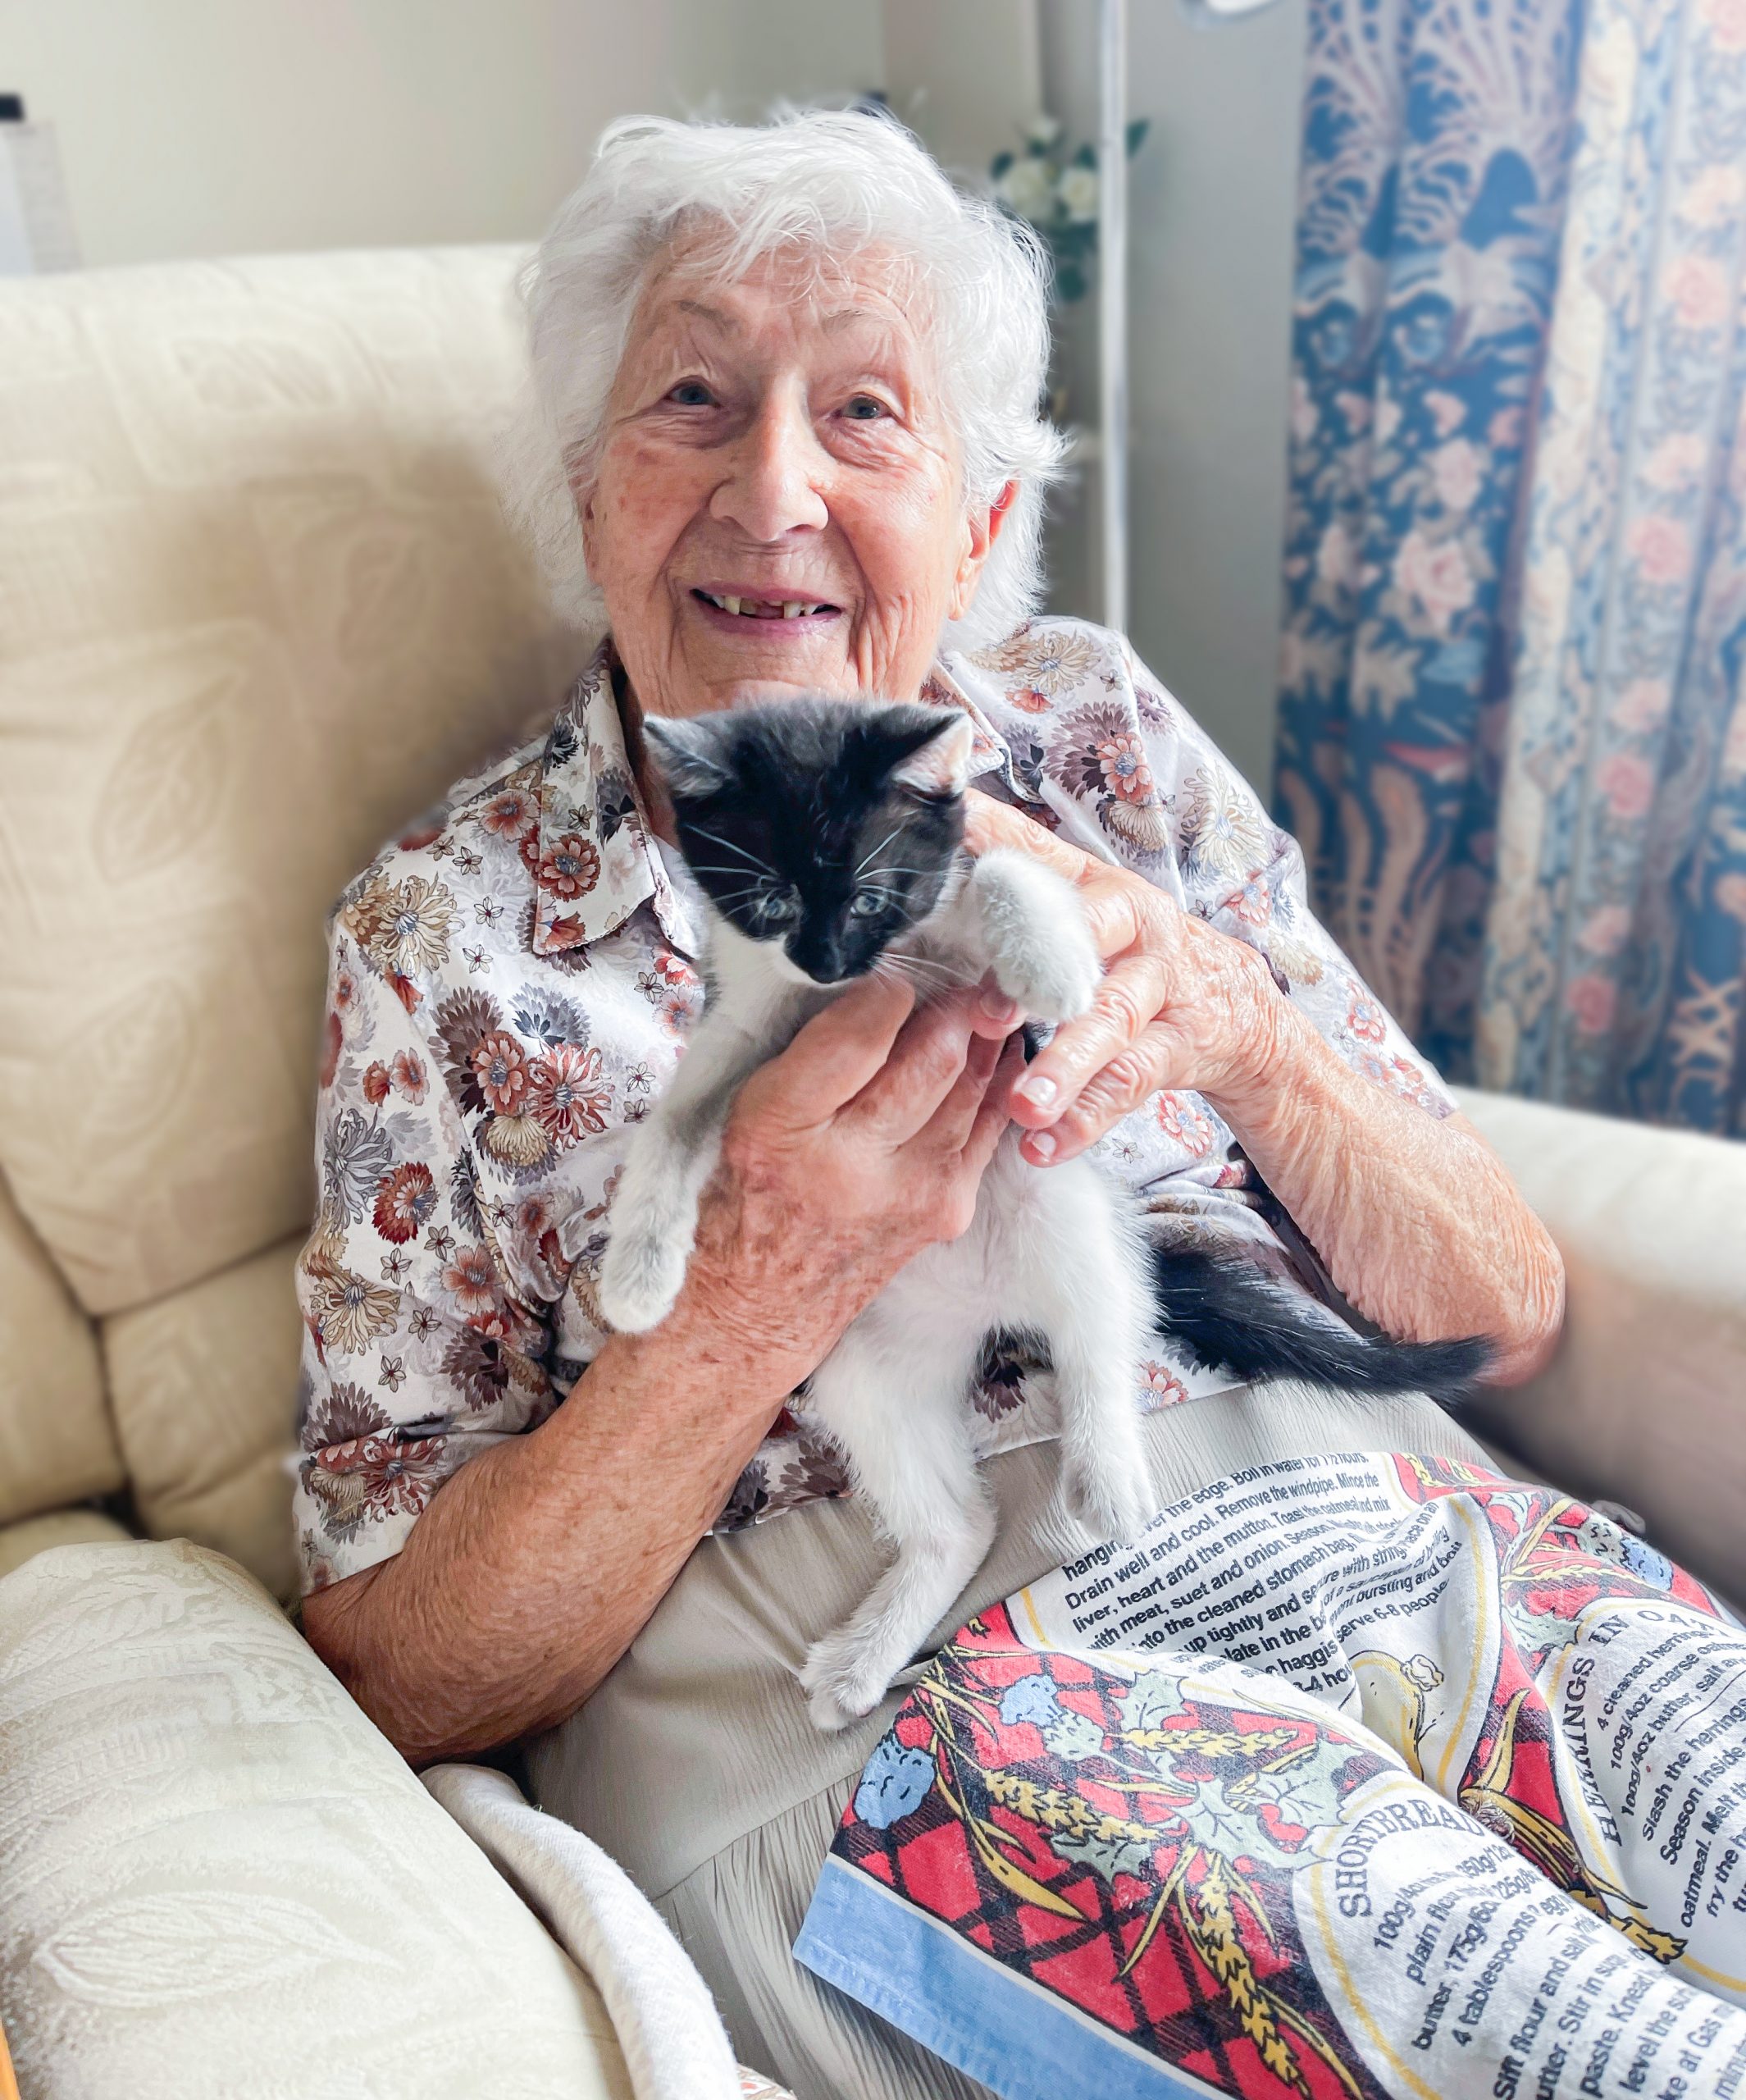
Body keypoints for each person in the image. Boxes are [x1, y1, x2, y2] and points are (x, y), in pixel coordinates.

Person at [297, 110, 1564, 2098]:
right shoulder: (449, 934)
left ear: (976, 522)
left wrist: (1227, 1013)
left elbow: (1510, 1288)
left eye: (866, 413)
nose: (773, 486)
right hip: (894, 1677)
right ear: (590, 499)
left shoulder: (1098, 732)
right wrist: (749, 1291)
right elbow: (389, 1665)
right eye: (693, 398)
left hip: (1375, 1514)